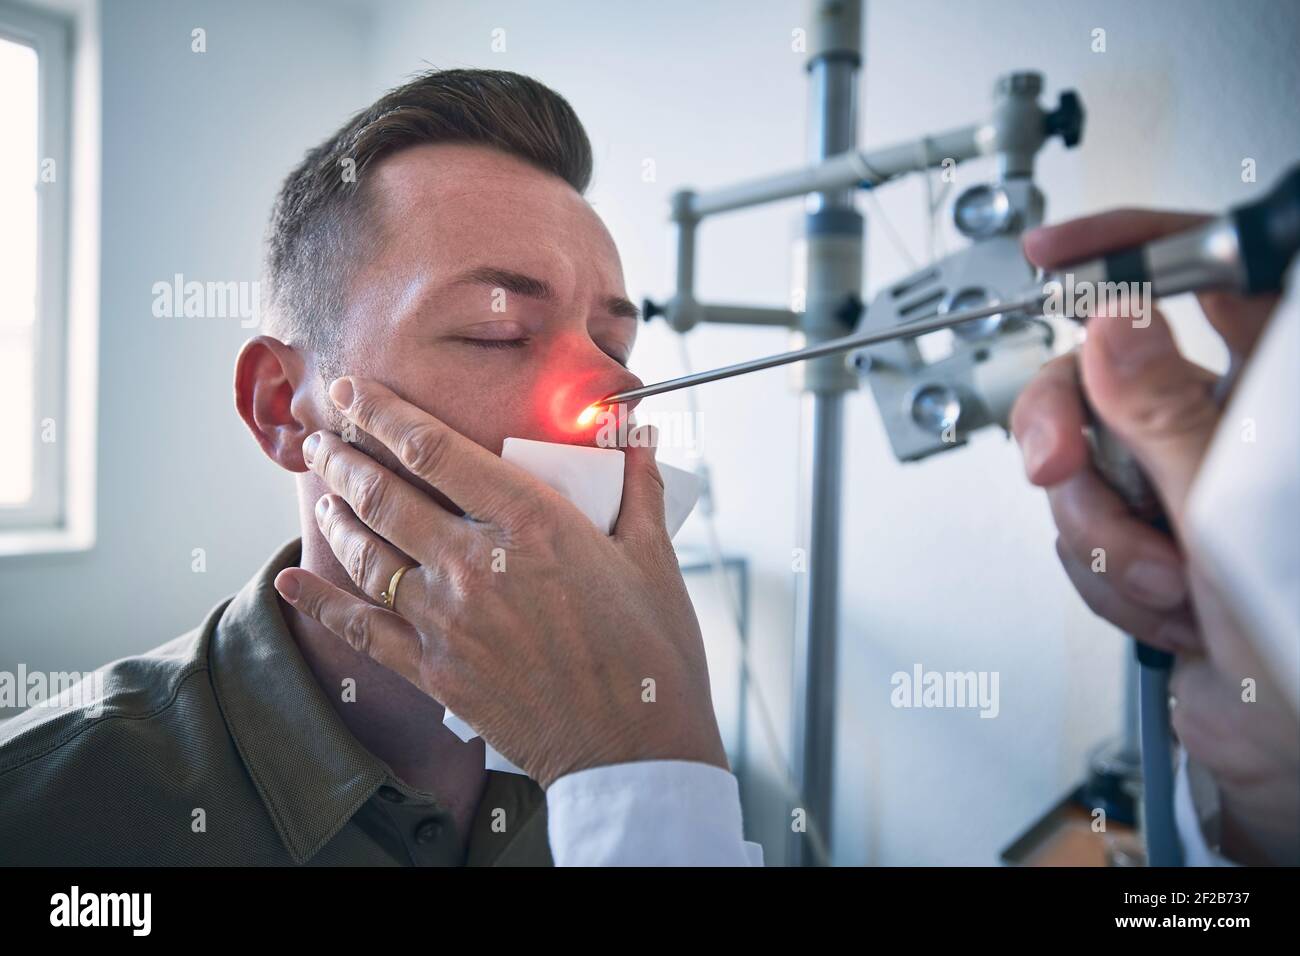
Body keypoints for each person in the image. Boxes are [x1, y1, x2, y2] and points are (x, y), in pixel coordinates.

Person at [0, 67, 751, 866]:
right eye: (498, 332)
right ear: (282, 406)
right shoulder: (51, 816)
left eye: (615, 344)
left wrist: (640, 763)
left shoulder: (662, 744)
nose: (617, 386)